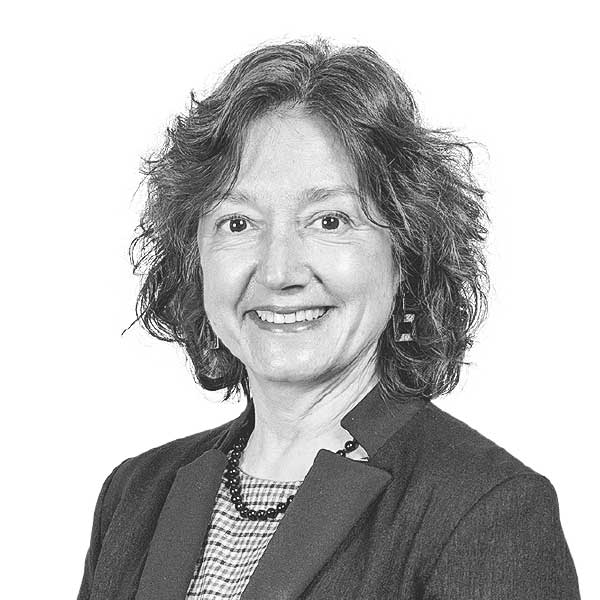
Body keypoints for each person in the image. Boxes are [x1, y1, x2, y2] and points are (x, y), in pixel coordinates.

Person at [77, 39, 580, 600]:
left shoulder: (486, 511)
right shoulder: (134, 494)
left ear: (406, 253)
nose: (279, 271)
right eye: (238, 223)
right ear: (194, 255)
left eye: (329, 220)